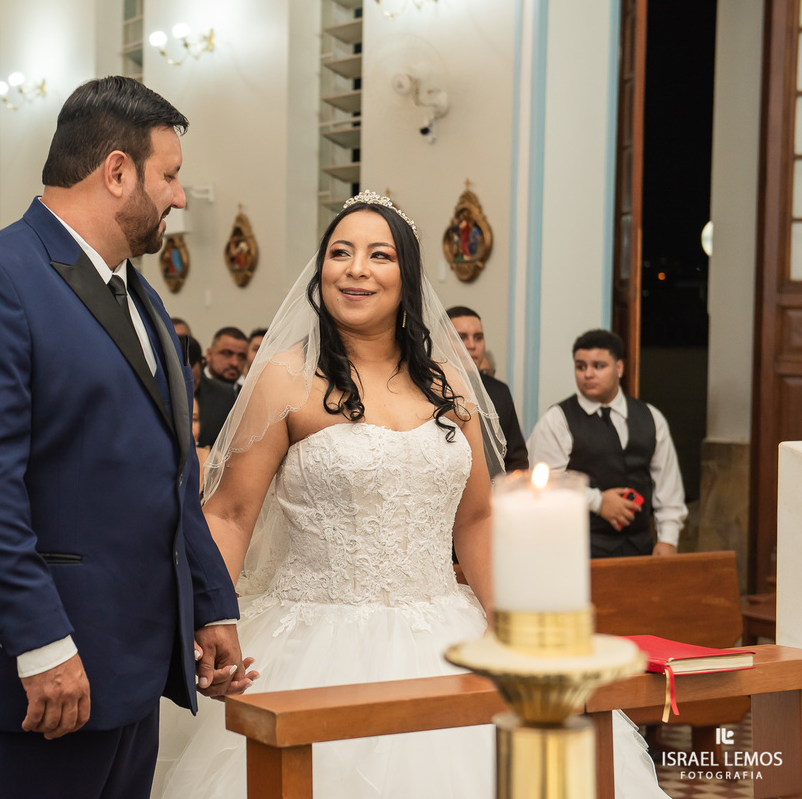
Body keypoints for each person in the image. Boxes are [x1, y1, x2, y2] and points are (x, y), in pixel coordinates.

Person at [154, 193, 669, 799]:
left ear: (408, 276)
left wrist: (508, 620)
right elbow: (231, 513)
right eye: (340, 253)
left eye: (380, 255)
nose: (356, 269)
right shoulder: (285, 379)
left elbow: (476, 519)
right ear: (320, 270)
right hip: (315, 639)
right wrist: (211, 616)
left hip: (445, 628)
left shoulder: (449, 384)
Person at [0, 76, 245, 799]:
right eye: (170, 176)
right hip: (33, 676)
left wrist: (210, 601)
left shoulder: (142, 298)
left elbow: (171, 473)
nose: (180, 197)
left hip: (129, 671)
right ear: (117, 171)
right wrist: (40, 640)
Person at [527, 329, 687, 559]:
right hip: (578, 549)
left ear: (619, 368)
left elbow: (668, 486)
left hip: (639, 546)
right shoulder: (557, 420)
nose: (588, 374)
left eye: (598, 366)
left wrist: (668, 539)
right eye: (581, 367)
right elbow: (544, 484)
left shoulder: (651, 417)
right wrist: (598, 501)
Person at [447, 306, 529, 473]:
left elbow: (517, 459)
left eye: (478, 338)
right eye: (461, 337)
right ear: (441, 341)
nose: (472, 345)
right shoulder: (426, 388)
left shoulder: (500, 391)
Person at [195, 327, 247, 448]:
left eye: (241, 356)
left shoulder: (248, 394)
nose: (234, 363)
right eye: (227, 353)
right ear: (209, 354)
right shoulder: (193, 386)